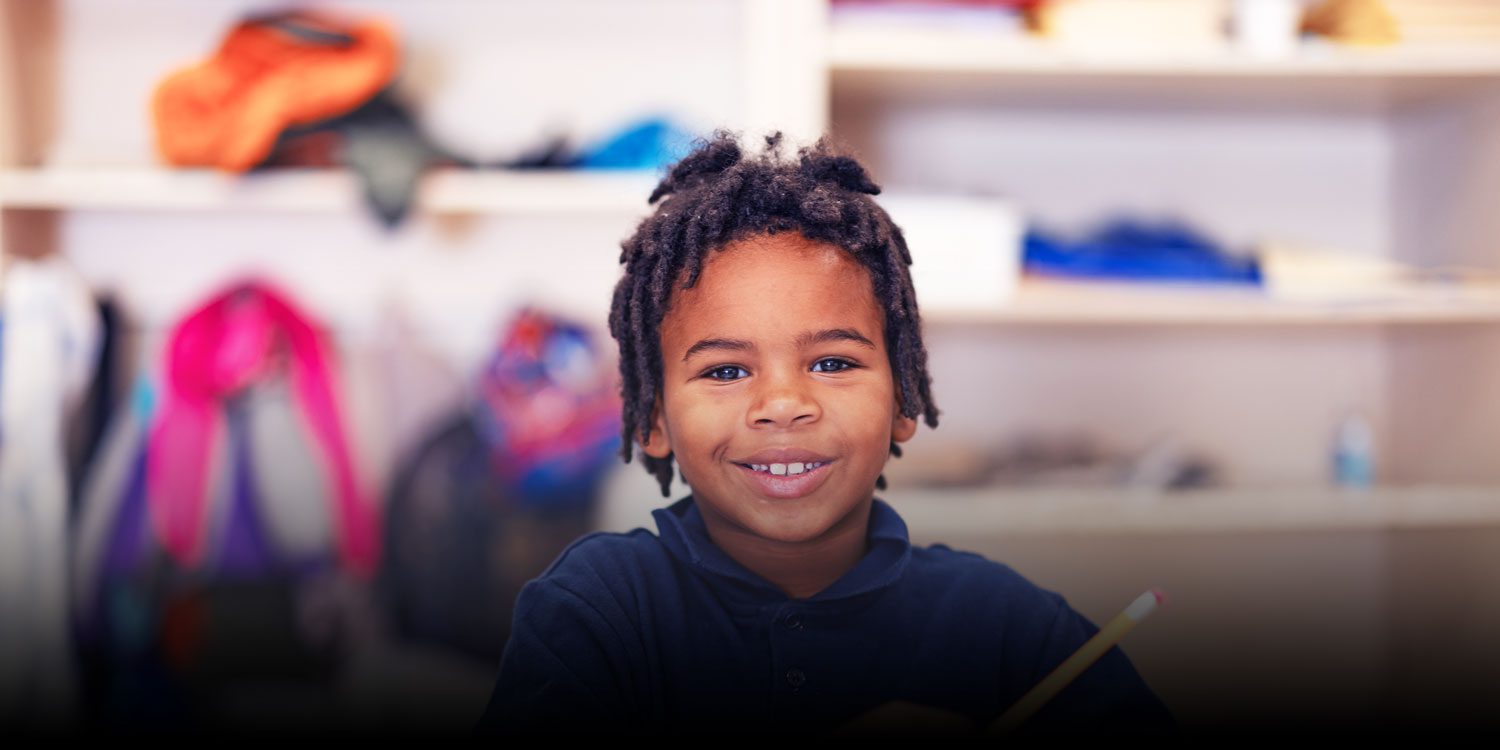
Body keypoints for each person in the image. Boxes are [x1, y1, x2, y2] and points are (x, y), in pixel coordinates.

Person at [475, 131, 1177, 736]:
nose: (783, 405)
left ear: (903, 397)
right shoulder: (598, 610)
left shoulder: (1005, 626)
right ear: (654, 418)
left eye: (833, 363)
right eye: (725, 371)